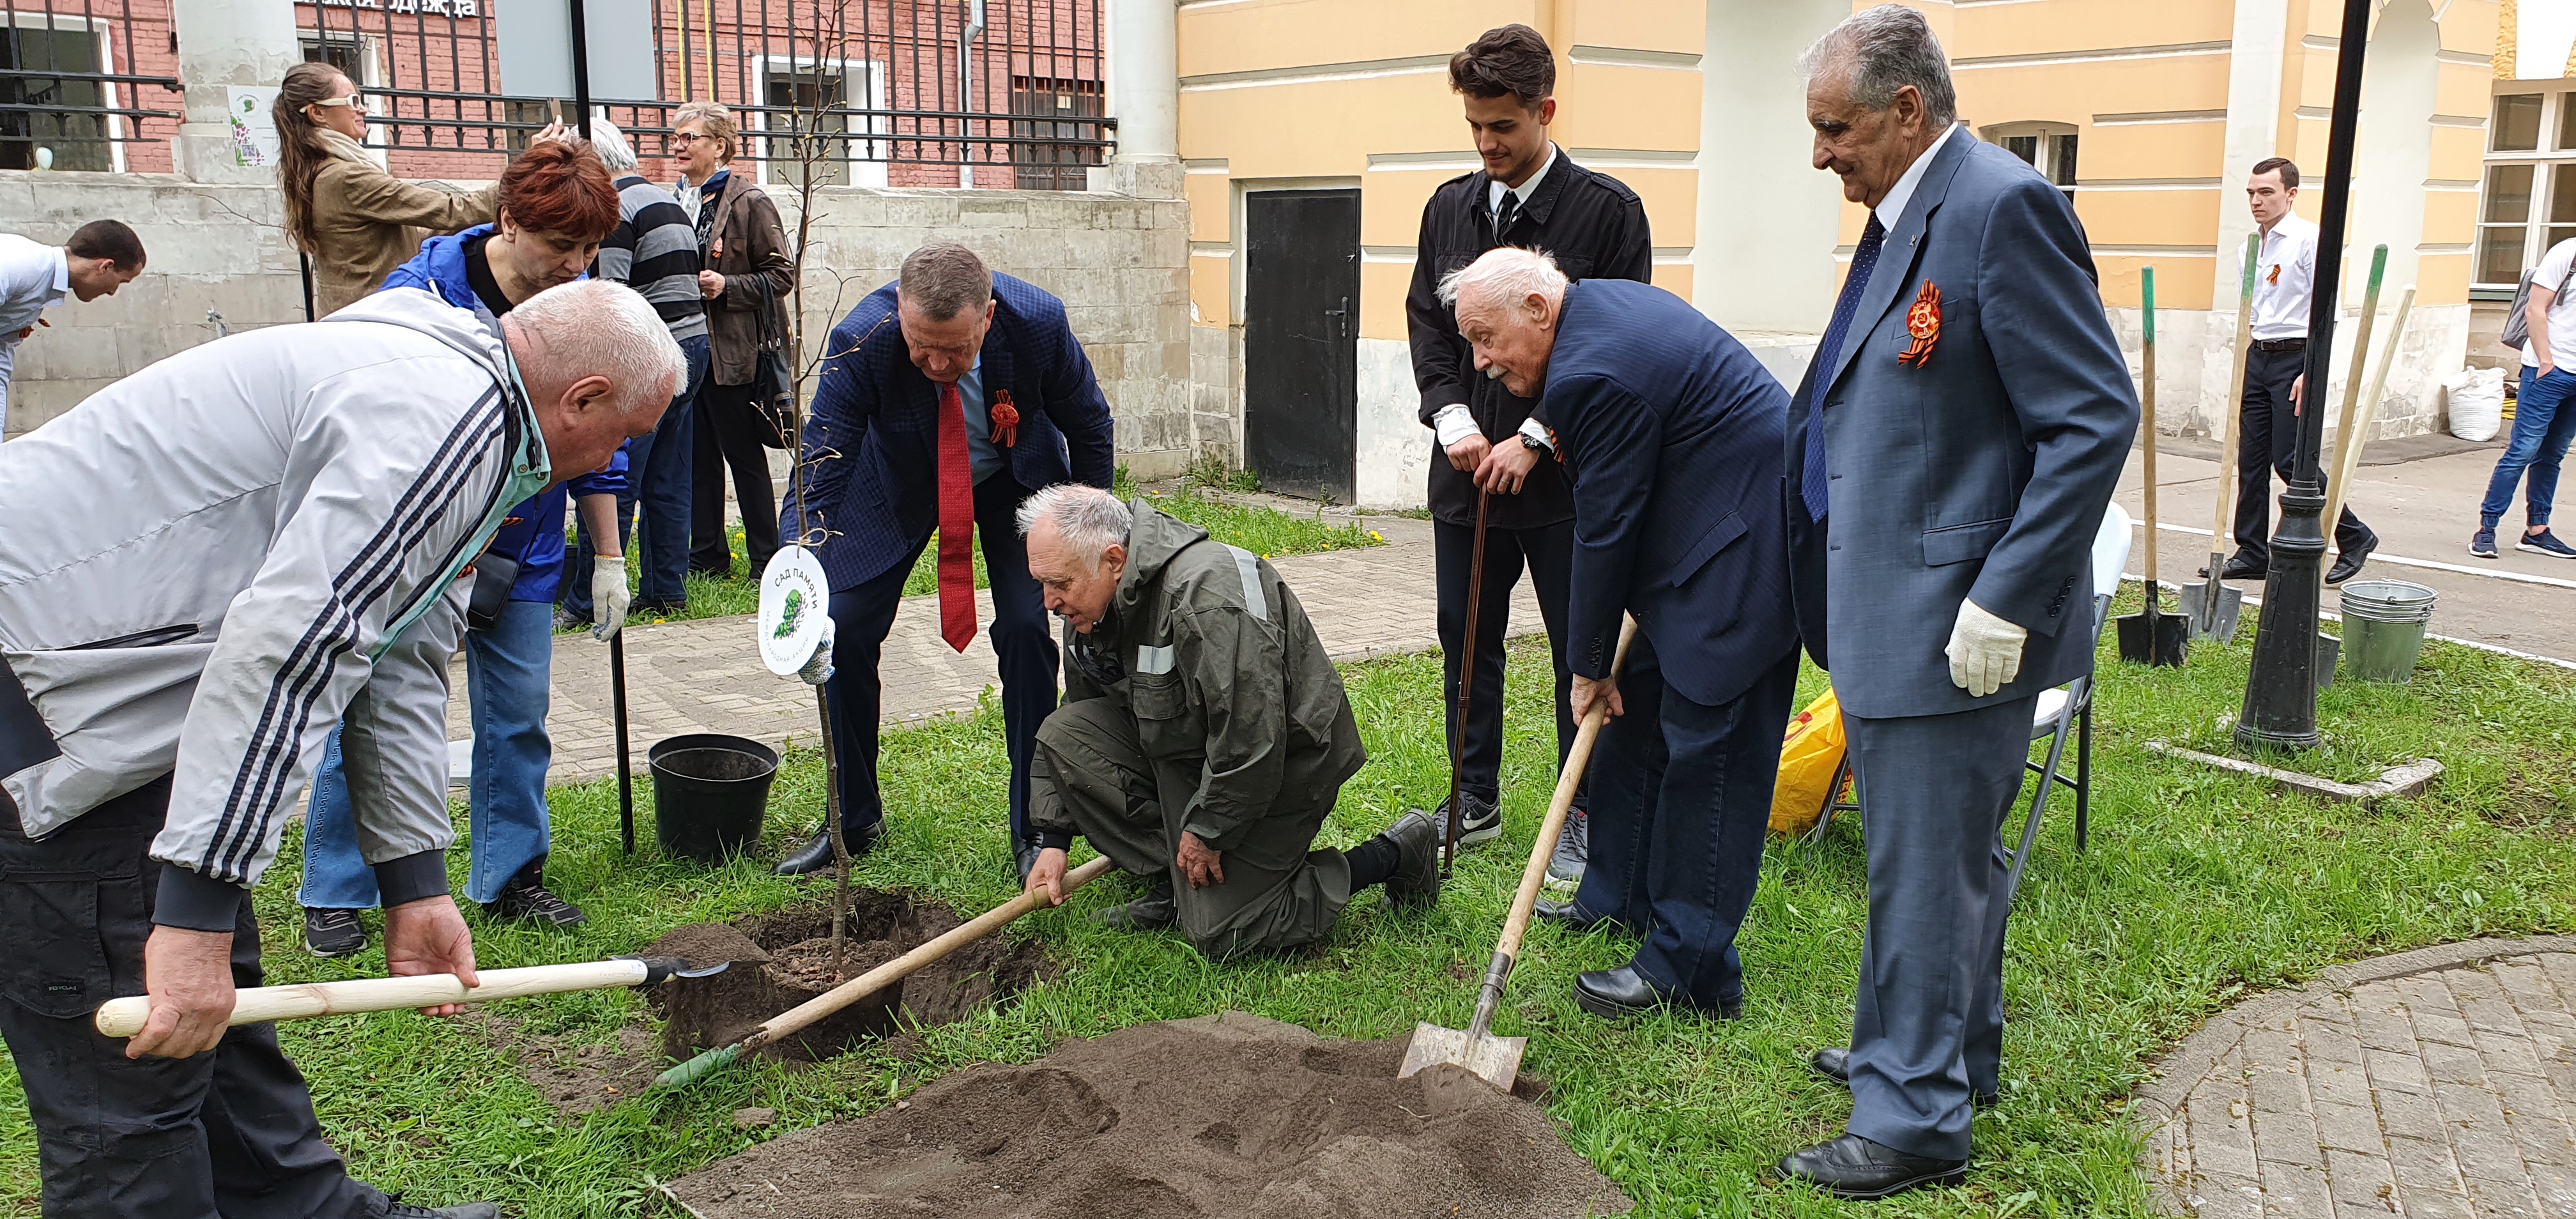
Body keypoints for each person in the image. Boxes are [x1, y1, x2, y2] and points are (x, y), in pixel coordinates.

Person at [0, 277, 682, 1219]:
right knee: (133, 1100)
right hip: (43, 725)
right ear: (584, 397)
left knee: (217, 1020)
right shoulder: (441, 420)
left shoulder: (469, 407)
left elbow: (399, 655)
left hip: (109, 709)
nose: (613, 461)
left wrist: (413, 884)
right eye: (622, 437)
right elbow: (295, 643)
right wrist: (193, 913)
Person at [1776, 8, 2136, 1198]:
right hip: (1894, 605)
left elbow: (2091, 416)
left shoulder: (1997, 207)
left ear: (1907, 111)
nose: (1819, 152)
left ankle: (1916, 1112)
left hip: (1954, 621)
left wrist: (2005, 595)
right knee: (1927, 861)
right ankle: (1933, 1051)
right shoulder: (1909, 211)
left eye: (1835, 128)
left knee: (1922, 870)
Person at [1438, 248, 1799, 1021]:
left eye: (1485, 337)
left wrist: (1586, 664)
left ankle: (1692, 968)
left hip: (1742, 555)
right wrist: (1607, 670)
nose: (1481, 361)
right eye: (1470, 343)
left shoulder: (1593, 371)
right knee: (1633, 723)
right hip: (1695, 542)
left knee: (1711, 754)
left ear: (1537, 309)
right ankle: (1616, 897)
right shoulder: (1590, 320)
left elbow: (1606, 526)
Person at [298, 138, 631, 957]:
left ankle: (512, 873)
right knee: (369, 711)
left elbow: (601, 437)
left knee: (518, 719)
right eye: (562, 247)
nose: (576, 266)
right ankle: (337, 890)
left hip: (525, 548)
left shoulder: (580, 304)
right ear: (508, 219)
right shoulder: (419, 296)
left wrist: (611, 557)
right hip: (419, 549)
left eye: (590, 250)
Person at [778, 242, 1116, 878]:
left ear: (987, 316)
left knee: (1026, 630)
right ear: (900, 314)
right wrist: (798, 575)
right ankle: (853, 820)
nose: (936, 362)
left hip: (1017, 482)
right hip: (898, 483)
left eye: (955, 350)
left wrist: (1089, 533)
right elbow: (820, 467)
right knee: (843, 628)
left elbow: (1090, 424)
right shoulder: (863, 337)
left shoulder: (1038, 322)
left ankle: (1038, 828)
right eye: (920, 344)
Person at [1404, 24, 1651, 884]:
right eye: (1473, 126)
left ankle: (1576, 814)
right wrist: (1449, 417)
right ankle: (1473, 798)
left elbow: (1618, 346)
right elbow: (1428, 330)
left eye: (1502, 127)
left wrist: (1538, 435)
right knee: (1465, 636)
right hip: (1466, 476)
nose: (1486, 145)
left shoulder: (1609, 213)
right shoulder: (1447, 208)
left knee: (1579, 646)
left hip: (1567, 481)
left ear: (1545, 111)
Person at [1016, 486, 1444, 958]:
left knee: (1224, 932)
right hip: (1194, 754)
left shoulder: (1206, 597)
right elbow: (1083, 712)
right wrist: (1054, 840)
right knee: (1063, 736)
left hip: (1284, 764)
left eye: (1058, 584)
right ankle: (1180, 888)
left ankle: (1395, 853)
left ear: (1115, 560)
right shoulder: (1090, 606)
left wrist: (1210, 832)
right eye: (1042, 583)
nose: (1048, 601)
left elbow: (1254, 738)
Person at [562, 116, 712, 626]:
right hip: (692, 346)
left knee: (614, 479)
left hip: (648, 355)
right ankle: (666, 590)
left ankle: (588, 601)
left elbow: (613, 295)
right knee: (670, 476)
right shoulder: (663, 198)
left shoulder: (616, 209)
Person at [2209, 157, 2380, 585]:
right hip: (2260, 355)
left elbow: (2329, 312)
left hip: (2297, 356)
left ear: (2291, 194)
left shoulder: (2308, 240)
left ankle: (2353, 535)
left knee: (2290, 460)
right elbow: (2254, 309)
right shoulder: (2252, 246)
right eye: (2251, 192)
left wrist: (2312, 370)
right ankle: (2252, 551)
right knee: (2250, 459)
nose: (2256, 201)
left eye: (2266, 192)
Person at [272, 60, 544, 318]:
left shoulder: (318, 169)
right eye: (353, 101)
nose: (363, 109)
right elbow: (453, 211)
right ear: (318, 113)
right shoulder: (347, 177)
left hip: (351, 314)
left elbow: (408, 236)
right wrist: (530, 168)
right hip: (373, 318)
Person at [670, 101, 793, 580]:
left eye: (690, 138)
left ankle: (766, 559)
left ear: (719, 146)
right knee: (699, 458)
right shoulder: (680, 199)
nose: (678, 145)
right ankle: (707, 558)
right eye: (675, 137)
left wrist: (727, 287)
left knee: (743, 456)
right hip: (691, 351)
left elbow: (783, 275)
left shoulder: (749, 202)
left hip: (735, 353)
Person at [2471, 232, 2576, 560]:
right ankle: (2486, 530)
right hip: (2549, 370)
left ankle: (2537, 532)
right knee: (2522, 450)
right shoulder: (2567, 253)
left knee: (2553, 455)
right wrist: (2546, 361)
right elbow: (2535, 309)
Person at [0, 219, 144, 410]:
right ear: (106, 266)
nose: (112, 292)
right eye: (121, 281)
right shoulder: (20, 265)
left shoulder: (38, 283)